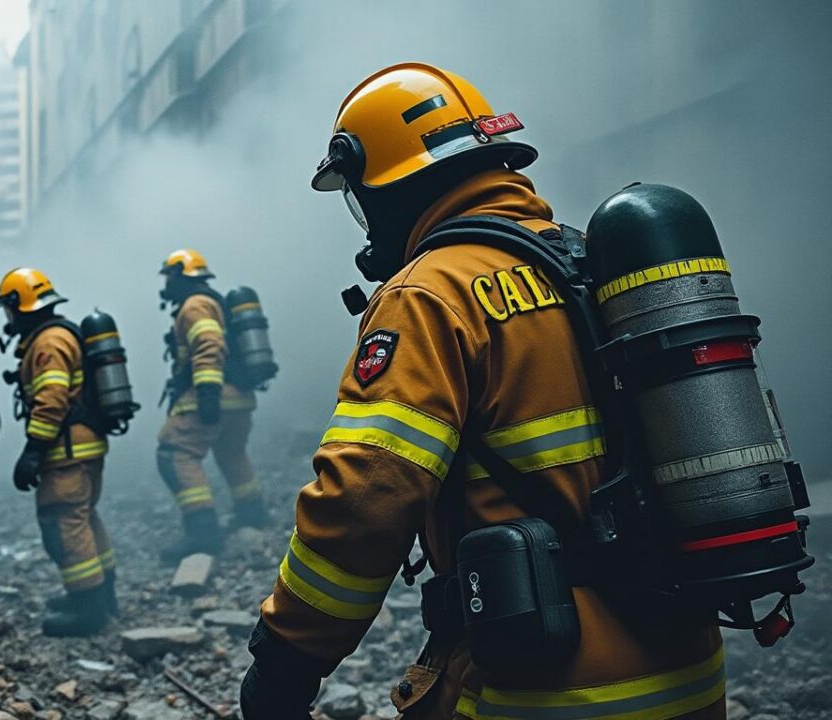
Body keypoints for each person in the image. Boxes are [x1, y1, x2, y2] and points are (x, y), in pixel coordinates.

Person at [241, 63, 724, 719]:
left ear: (387, 184)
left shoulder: (428, 295)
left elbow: (366, 496)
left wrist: (286, 659)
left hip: (548, 689)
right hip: (688, 674)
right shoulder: (588, 264)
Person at [0, 267, 117, 637]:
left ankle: (89, 610)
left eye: (8, 308)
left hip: (67, 451)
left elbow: (51, 399)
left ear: (19, 304)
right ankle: (102, 594)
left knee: (63, 523)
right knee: (83, 516)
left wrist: (32, 451)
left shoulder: (48, 343)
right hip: (84, 446)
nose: (7, 317)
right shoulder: (60, 334)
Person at [156, 249, 269, 563]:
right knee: (231, 452)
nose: (165, 282)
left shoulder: (194, 306)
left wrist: (206, 394)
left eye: (168, 274)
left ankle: (203, 531)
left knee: (173, 453)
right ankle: (252, 513)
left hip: (214, 393)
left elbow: (209, 345)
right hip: (239, 397)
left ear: (180, 274)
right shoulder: (213, 301)